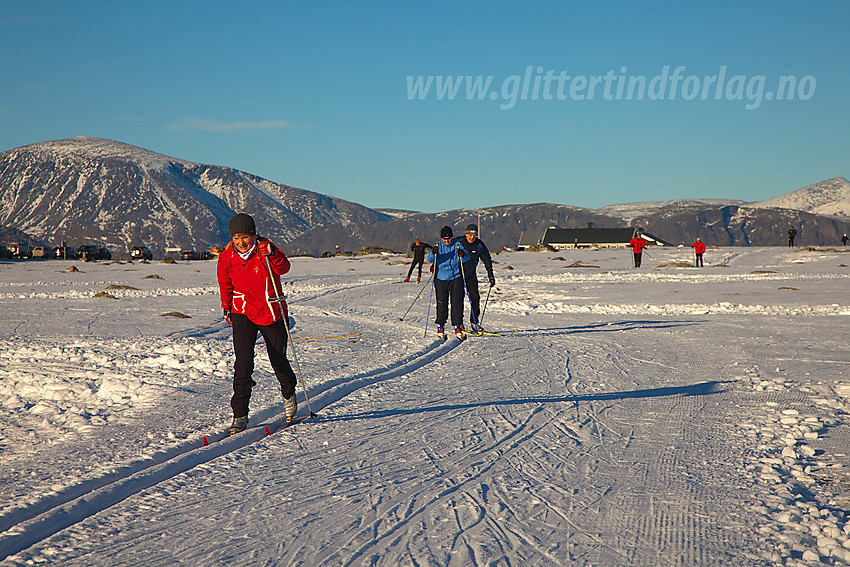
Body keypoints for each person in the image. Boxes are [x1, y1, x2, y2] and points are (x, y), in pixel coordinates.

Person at [217, 213, 297, 435]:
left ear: (253, 234)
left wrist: (273, 254)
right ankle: (239, 415)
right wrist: (227, 307)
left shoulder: (266, 250)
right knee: (243, 363)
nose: (240, 242)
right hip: (242, 310)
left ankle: (289, 396)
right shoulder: (226, 257)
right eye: (236, 238)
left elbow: (284, 268)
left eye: (244, 237)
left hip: (270, 310)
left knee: (278, 359)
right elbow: (225, 283)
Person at [427, 226, 470, 340]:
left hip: (455, 277)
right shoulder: (438, 246)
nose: (447, 241)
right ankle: (441, 326)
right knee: (442, 302)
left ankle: (457, 325)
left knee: (457, 302)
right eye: (445, 239)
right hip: (441, 278)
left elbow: (466, 258)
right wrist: (433, 252)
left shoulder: (457, 245)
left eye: (449, 238)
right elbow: (430, 259)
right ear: (441, 238)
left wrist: (463, 254)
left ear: (452, 237)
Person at [454, 224, 496, 332]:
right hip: (458, 274)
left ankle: (474, 322)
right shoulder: (458, 242)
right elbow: (446, 249)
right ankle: (459, 323)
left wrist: (490, 276)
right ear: (466, 234)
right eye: (470, 235)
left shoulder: (479, 244)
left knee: (475, 297)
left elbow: (486, 259)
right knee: (459, 298)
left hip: (470, 274)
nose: (472, 237)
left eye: (474, 235)